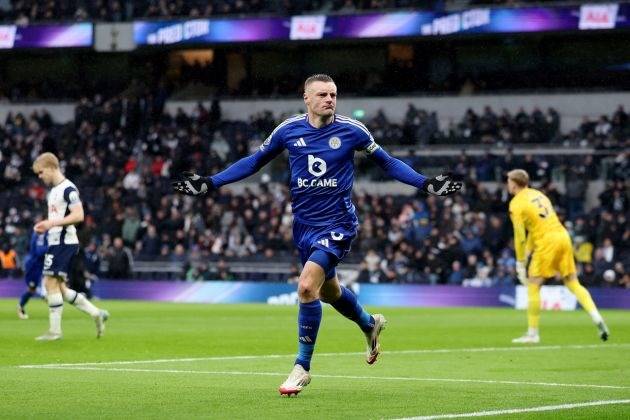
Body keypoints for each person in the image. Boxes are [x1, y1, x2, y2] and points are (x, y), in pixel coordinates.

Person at [172, 74, 462, 396]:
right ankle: (369, 323)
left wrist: (426, 183)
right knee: (329, 293)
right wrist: (210, 182)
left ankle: (302, 367)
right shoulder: (288, 130)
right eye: (322, 94)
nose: (329, 100)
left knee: (307, 287)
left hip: (338, 224)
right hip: (304, 227)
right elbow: (254, 162)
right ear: (306, 99)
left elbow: (388, 163)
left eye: (333, 94)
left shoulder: (352, 130)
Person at [507, 169, 609, 344]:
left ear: (514, 184)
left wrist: (520, 262)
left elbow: (520, 236)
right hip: (563, 236)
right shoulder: (539, 195)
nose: (507, 184)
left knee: (533, 286)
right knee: (573, 282)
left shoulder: (516, 203)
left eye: (508, 181)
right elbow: (536, 227)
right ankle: (596, 317)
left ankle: (532, 334)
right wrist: (528, 252)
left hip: (547, 242)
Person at [32, 152, 109, 341]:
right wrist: (47, 226)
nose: (40, 176)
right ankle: (96, 313)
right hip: (56, 241)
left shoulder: (68, 189)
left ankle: (55, 332)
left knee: (49, 283)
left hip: (64, 242)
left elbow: (78, 215)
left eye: (41, 172)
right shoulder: (54, 191)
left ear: (51, 167)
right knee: (61, 289)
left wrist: (51, 224)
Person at [17, 231, 48, 319]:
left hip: (40, 265)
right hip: (33, 266)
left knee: (33, 288)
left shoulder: (45, 234)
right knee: (32, 289)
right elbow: (39, 251)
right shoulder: (39, 234)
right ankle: (20, 306)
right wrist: (51, 247)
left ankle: (45, 294)